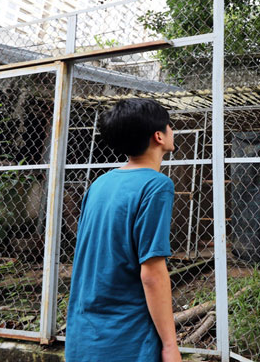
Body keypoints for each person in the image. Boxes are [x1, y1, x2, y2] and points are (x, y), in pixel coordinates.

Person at [66, 98, 182, 362]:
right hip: (126, 335)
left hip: (84, 333)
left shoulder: (99, 184)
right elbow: (152, 272)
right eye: (169, 126)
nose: (172, 130)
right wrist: (170, 345)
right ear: (158, 137)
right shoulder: (156, 185)